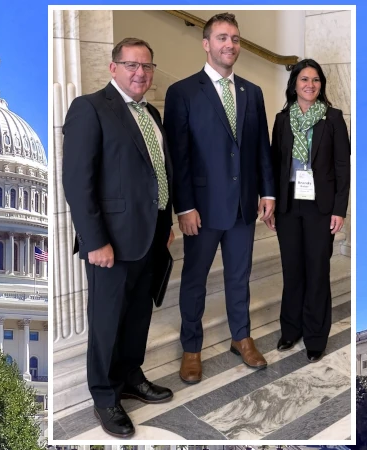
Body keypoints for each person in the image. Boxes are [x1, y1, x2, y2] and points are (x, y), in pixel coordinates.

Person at [62, 37, 175, 438]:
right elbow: (77, 182)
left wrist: (167, 222)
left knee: (138, 316)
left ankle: (130, 376)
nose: (140, 73)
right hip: (110, 241)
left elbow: (156, 173)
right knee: (107, 322)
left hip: (151, 235)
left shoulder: (152, 115)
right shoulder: (90, 108)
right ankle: (105, 396)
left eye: (146, 67)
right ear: (113, 68)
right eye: (131, 65)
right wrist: (95, 240)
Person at [164, 13, 275, 383]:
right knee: (194, 279)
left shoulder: (251, 92)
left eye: (236, 39)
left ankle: (240, 337)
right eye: (223, 38)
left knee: (239, 277)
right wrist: (185, 205)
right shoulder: (182, 92)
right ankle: (191, 348)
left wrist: (268, 192)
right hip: (202, 209)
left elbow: (262, 148)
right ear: (206, 43)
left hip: (244, 205)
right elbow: (177, 156)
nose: (231, 45)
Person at [266, 59, 351, 362]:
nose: (310, 85)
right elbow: (275, 164)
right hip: (289, 205)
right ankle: (290, 330)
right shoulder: (282, 118)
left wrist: (340, 209)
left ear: (321, 86)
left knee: (317, 270)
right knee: (292, 269)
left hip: (320, 207)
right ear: (294, 84)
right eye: (304, 79)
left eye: (316, 80)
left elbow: (342, 166)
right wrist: (272, 202)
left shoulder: (333, 119)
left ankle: (315, 336)